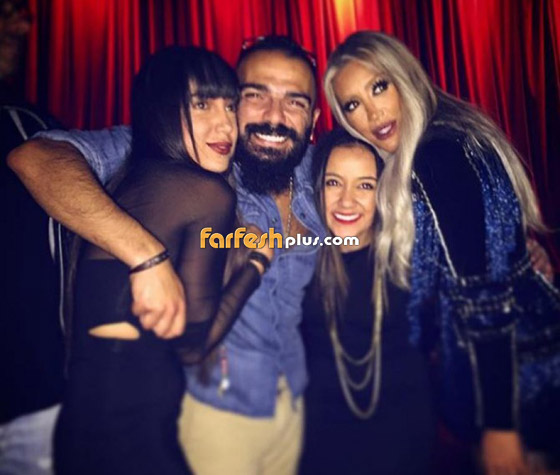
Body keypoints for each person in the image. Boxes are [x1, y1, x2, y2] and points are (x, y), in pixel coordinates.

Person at [9, 36, 324, 475]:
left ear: (313, 120)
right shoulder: (168, 153)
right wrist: (146, 255)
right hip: (208, 415)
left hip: (289, 405)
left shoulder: (320, 171)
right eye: (255, 95)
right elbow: (36, 156)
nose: (273, 116)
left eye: (295, 101)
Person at [322, 31, 560, 474]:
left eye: (379, 86)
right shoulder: (452, 134)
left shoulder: (435, 156)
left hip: (520, 378)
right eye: (352, 104)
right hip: (528, 355)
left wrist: (500, 426)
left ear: (405, 76)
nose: (372, 113)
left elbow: (483, 300)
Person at [53, 45, 275, 475]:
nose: (225, 124)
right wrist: (256, 266)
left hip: (82, 426)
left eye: (230, 106)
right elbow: (193, 345)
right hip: (132, 433)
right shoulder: (207, 194)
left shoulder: (127, 182)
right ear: (161, 111)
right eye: (202, 104)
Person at [300, 128, 436, 475]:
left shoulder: (412, 256)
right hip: (321, 442)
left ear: (383, 192)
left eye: (364, 185)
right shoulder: (297, 257)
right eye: (334, 183)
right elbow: (221, 241)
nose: (347, 201)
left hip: (403, 437)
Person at [0, 2, 65, 474]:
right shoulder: (28, 129)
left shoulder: (30, 122)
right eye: (7, 11)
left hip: (30, 390)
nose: (22, 26)